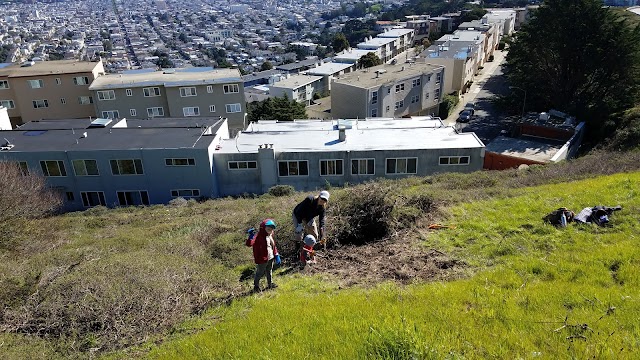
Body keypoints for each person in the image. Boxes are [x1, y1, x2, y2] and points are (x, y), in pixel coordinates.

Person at [246, 219, 280, 292]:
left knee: (269, 271)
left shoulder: (270, 235)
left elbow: (273, 246)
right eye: (268, 227)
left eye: (271, 227)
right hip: (262, 259)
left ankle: (270, 284)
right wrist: (251, 236)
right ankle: (256, 286)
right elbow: (249, 244)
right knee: (259, 273)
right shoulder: (258, 236)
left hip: (270, 257)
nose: (270, 228)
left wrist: (276, 255)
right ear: (263, 227)